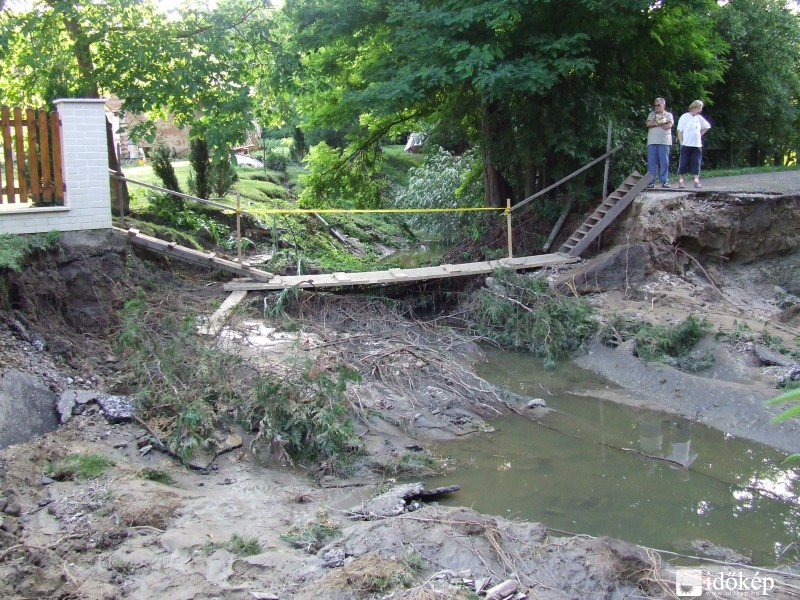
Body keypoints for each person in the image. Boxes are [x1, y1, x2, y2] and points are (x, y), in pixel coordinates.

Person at [677, 100, 711, 189]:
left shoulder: (699, 118)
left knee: (696, 162)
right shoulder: (684, 117)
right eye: (698, 108)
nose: (699, 110)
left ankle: (696, 181)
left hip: (697, 145)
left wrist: (700, 134)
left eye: (700, 109)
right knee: (683, 163)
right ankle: (681, 181)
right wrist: (681, 142)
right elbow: (679, 130)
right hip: (686, 144)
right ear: (693, 107)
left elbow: (707, 126)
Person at [646, 97, 674, 188]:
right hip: (652, 141)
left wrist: (656, 122)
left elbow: (668, 126)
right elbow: (648, 124)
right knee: (651, 162)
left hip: (664, 141)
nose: (657, 107)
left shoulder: (669, 115)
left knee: (664, 162)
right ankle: (651, 181)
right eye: (655, 105)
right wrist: (661, 122)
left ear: (664, 105)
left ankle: (664, 181)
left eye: (659, 105)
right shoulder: (651, 114)